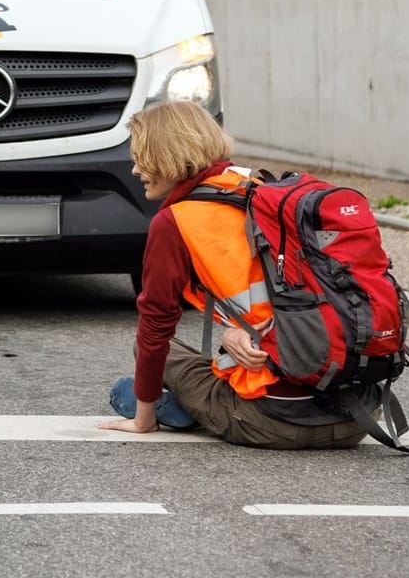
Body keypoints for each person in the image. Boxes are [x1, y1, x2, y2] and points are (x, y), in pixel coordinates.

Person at [98, 100, 368, 448]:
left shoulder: (176, 221)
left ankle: (172, 410)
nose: (135, 170)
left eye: (142, 157)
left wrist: (143, 421)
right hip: (356, 417)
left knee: (134, 380)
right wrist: (233, 331)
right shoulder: (263, 187)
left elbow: (155, 326)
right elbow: (288, 294)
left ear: (167, 156)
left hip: (274, 422)